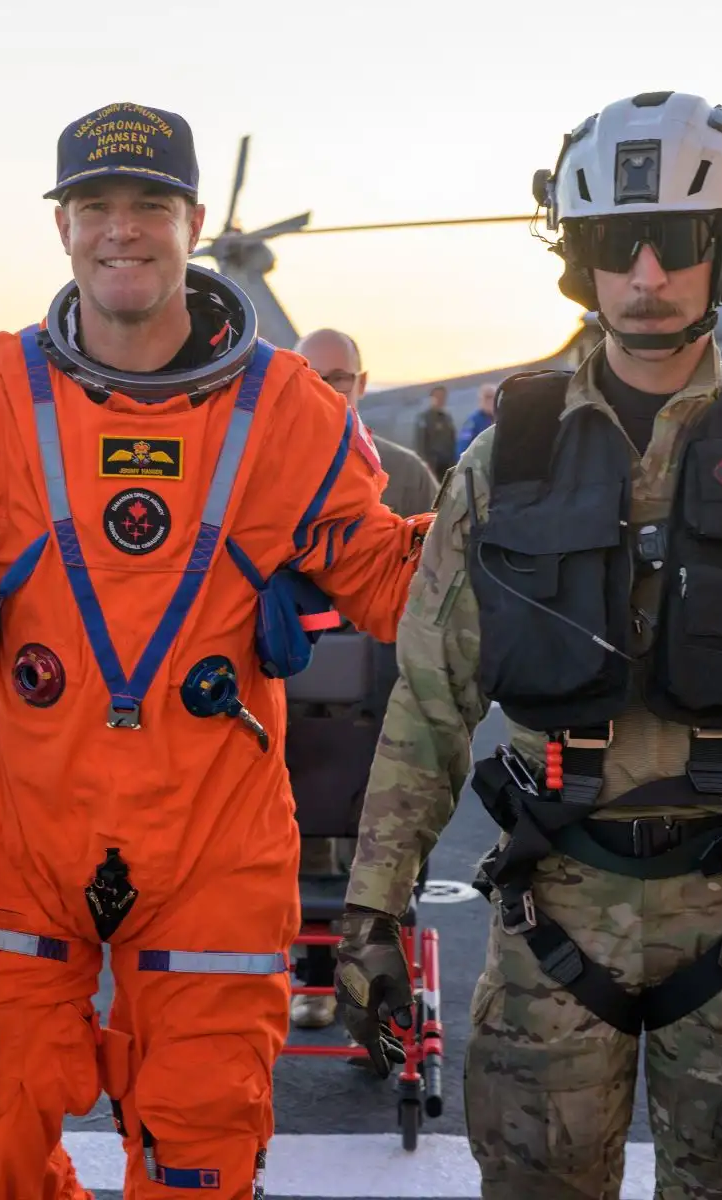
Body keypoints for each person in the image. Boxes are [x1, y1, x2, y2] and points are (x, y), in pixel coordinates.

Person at [338, 92, 722, 1199]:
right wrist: (372, 916)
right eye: (620, 242)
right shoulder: (498, 466)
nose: (649, 272)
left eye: (681, 241)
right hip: (548, 926)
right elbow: (428, 704)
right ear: (580, 257)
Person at [0, 102, 432, 1199]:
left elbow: (395, 587)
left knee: (200, 1143)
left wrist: (514, 531)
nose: (124, 230)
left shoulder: (290, 413)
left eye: (150, 205)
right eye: (96, 206)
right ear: (62, 226)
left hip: (210, 855)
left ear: (194, 221)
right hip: (14, 857)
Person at [285, 326, 437, 1032]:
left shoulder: (405, 474)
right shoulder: (265, 475)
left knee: (387, 846)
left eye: (340, 378)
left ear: (362, 385)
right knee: (304, 842)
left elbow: (428, 586)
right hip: (294, 694)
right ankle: (315, 979)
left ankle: (376, 982)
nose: (326, 389)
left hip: (384, 693)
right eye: (313, 376)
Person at [415, 385, 458, 478]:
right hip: (433, 465)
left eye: (443, 397)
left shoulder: (447, 418)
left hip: (447, 464)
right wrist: (426, 466)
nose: (440, 400)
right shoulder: (425, 418)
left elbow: (452, 440)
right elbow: (421, 444)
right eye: (437, 397)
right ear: (432, 398)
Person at [456, 382, 496, 458]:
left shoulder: (499, 419)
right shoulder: (472, 422)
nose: (490, 401)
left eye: (493, 397)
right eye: (487, 397)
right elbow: (463, 447)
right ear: (481, 399)